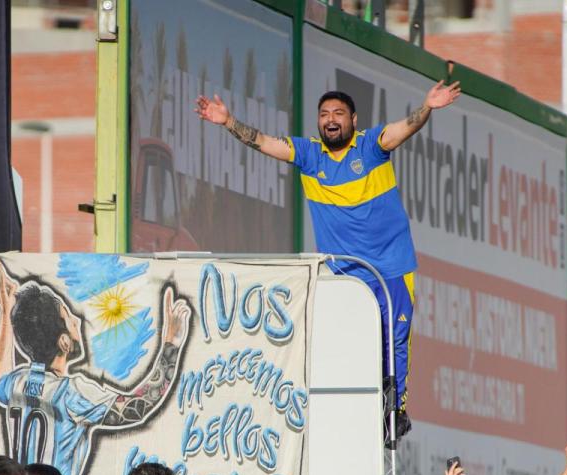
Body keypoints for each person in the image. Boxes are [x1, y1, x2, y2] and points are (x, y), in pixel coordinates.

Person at [196, 81, 462, 436]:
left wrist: (427, 107)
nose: (331, 120)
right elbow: (264, 142)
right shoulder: (310, 155)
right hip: (344, 274)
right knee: (350, 342)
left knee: (395, 338)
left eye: (338, 114)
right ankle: (355, 408)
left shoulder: (370, 145)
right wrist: (229, 122)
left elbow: (405, 128)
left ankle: (395, 411)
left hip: (391, 265)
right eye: (324, 115)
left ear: (353, 119)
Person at [0, 262, 192, 475]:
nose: (78, 320)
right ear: (64, 342)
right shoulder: (72, 392)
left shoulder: (17, 382)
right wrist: (171, 345)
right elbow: (139, 406)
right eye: (69, 317)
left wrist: (5, 309)